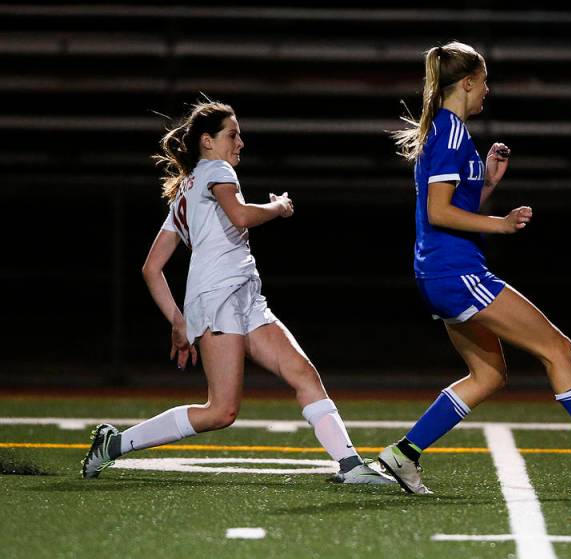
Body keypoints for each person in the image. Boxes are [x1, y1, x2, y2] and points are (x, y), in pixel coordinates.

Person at [378, 41, 571, 495]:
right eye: (485, 82)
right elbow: (439, 213)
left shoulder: (446, 131)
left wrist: (490, 183)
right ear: (469, 82)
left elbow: (454, 204)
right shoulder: (451, 132)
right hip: (456, 272)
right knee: (558, 348)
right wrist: (498, 224)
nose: (488, 91)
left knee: (489, 376)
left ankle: (405, 453)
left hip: (439, 273)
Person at [81, 99, 394, 485]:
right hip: (219, 299)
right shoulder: (216, 168)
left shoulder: (185, 192)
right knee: (221, 411)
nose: (241, 142)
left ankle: (351, 467)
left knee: (303, 374)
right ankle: (113, 444)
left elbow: (151, 268)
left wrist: (179, 320)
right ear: (208, 142)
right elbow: (241, 215)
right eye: (233, 134)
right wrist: (278, 207)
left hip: (241, 295)